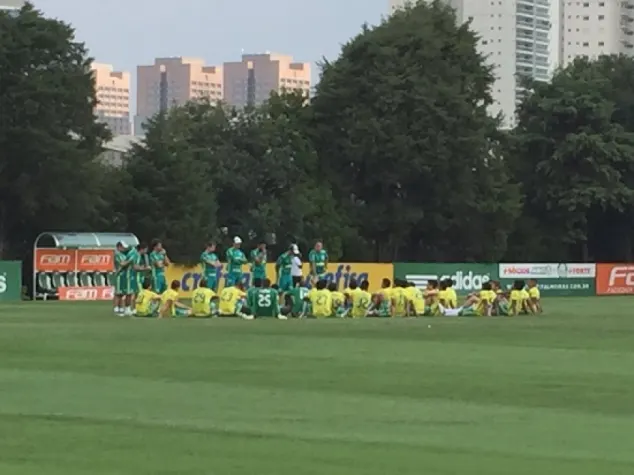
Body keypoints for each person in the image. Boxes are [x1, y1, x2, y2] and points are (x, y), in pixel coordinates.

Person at [113, 241, 131, 316]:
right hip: (119, 275)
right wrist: (130, 260)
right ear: (119, 246)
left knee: (122, 293)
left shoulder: (123, 254)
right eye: (123, 247)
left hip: (123, 275)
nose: (124, 249)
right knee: (118, 293)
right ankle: (116, 309)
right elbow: (122, 264)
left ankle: (120, 308)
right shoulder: (117, 254)